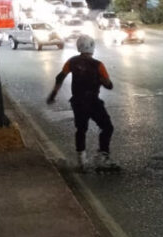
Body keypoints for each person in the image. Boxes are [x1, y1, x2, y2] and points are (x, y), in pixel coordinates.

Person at [47, 34, 116, 171]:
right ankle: (102, 158)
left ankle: (81, 161)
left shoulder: (71, 62)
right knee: (107, 127)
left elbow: (60, 77)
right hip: (93, 101)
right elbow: (109, 85)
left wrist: (53, 94)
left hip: (77, 102)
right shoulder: (98, 65)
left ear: (78, 47)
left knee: (81, 129)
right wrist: (102, 81)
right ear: (92, 48)